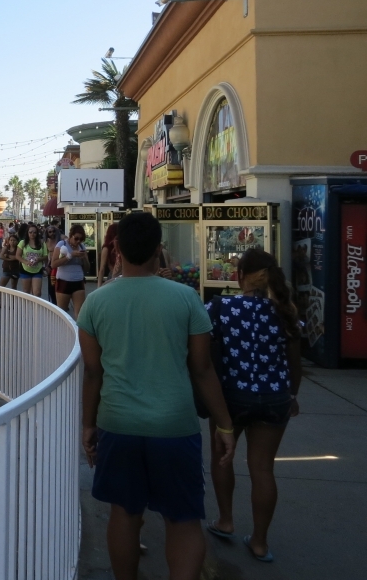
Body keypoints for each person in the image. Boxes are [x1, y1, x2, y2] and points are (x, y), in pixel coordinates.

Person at [78, 212, 236, 580]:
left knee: (125, 513)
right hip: (174, 425)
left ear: (116, 250)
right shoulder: (185, 299)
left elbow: (92, 373)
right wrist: (224, 426)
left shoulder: (96, 304)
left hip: (117, 423)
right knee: (182, 519)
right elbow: (202, 369)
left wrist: (88, 425)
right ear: (158, 250)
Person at [204, 248, 303, 563]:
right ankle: (260, 542)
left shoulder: (221, 307)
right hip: (274, 397)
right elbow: (295, 362)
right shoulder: (284, 311)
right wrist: (291, 395)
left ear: (239, 276)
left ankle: (225, 519)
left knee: (222, 458)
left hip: (231, 397)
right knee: (262, 468)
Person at [51, 224, 90, 316]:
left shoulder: (82, 247)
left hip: (78, 281)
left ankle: (77, 330)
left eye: (81, 239)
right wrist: (70, 256)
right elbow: (53, 264)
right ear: (70, 235)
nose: (78, 241)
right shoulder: (62, 244)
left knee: (80, 313)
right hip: (63, 281)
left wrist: (84, 258)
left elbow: (87, 268)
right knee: (62, 313)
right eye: (76, 238)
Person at [15, 224, 48, 297]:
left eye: (34, 232)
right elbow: (17, 255)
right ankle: (27, 307)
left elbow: (45, 256)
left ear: (37, 233)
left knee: (37, 292)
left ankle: (35, 307)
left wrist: (39, 259)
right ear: (27, 233)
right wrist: (26, 262)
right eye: (30, 232)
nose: (32, 234)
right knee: (26, 292)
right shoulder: (23, 243)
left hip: (37, 270)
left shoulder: (42, 243)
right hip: (25, 269)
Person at [97, 222, 121, 287]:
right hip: (113, 276)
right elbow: (102, 268)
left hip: (122, 276)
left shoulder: (121, 246)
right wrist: (99, 286)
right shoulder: (106, 248)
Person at [45, 224, 62, 305]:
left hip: (60, 265)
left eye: (53, 231)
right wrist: (46, 267)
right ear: (47, 233)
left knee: (60, 286)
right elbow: (45, 255)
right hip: (51, 266)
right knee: (51, 287)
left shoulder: (61, 239)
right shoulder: (46, 242)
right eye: (50, 232)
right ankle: (54, 304)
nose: (52, 233)